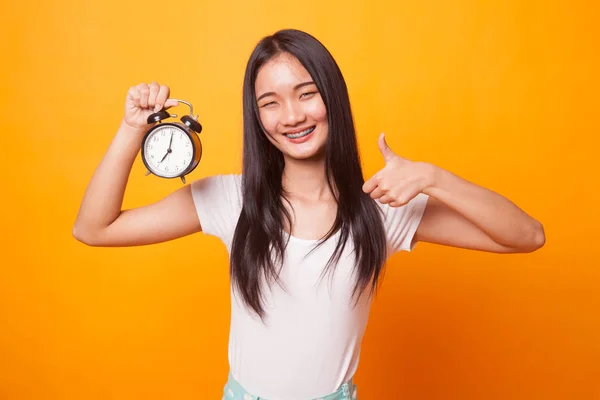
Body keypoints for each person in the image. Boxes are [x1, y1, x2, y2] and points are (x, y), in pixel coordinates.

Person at [73, 29, 545, 400]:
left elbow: (527, 235)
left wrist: (434, 178)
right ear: (257, 119)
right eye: (270, 103)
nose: (292, 115)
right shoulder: (229, 200)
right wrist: (132, 129)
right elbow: (94, 228)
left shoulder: (383, 209)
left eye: (306, 92)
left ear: (332, 97)